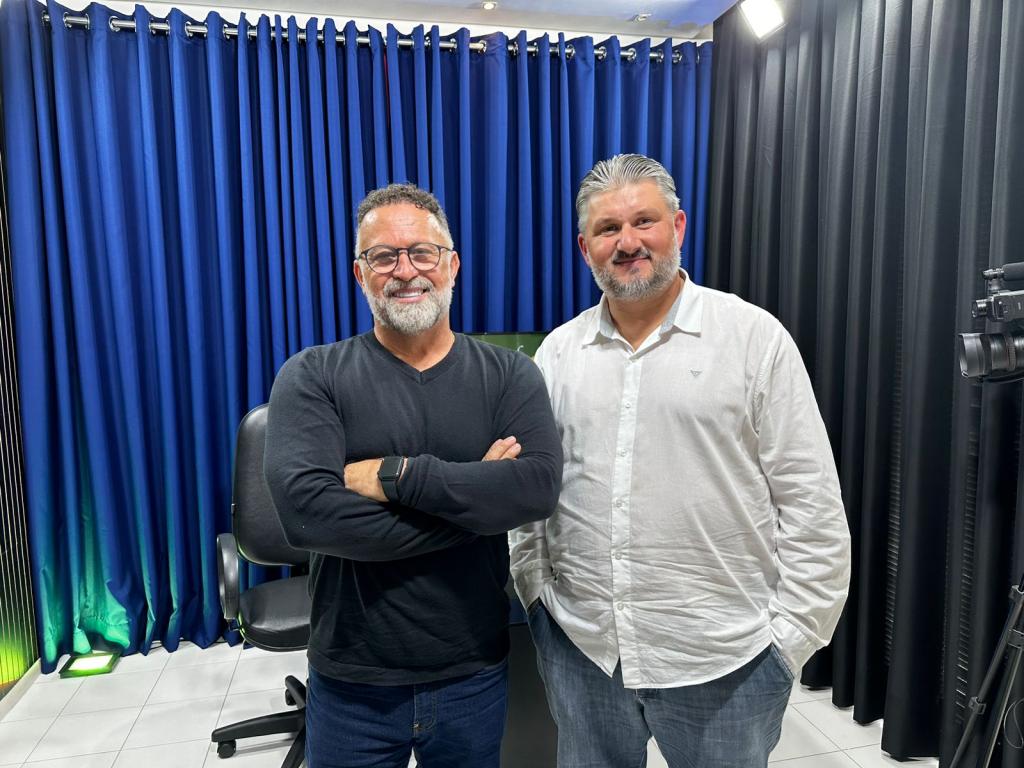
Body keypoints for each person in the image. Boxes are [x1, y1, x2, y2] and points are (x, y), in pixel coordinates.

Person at [509, 154, 851, 768]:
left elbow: (811, 502)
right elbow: (533, 493)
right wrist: (536, 596)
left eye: (644, 221)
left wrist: (788, 642)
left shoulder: (753, 339)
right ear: (585, 247)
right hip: (583, 650)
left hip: (726, 661)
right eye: (608, 229)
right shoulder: (558, 354)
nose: (627, 242)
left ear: (679, 226)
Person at [264, 183, 562, 768]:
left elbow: (535, 489)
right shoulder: (312, 376)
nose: (405, 271)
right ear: (360, 274)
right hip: (352, 680)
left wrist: (396, 477)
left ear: (452, 265)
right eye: (383, 257)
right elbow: (307, 516)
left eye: (422, 252)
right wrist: (476, 501)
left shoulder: (510, 376)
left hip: (473, 672)